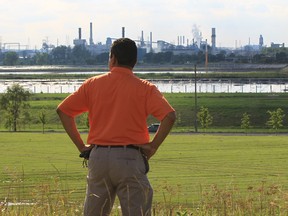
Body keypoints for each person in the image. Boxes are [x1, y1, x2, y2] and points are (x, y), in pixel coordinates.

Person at [56, 38, 176, 216]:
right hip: (130, 158)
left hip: (98, 158)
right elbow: (169, 116)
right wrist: (153, 146)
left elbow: (63, 111)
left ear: (112, 58)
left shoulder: (93, 84)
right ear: (134, 61)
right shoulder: (145, 88)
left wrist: (81, 146)